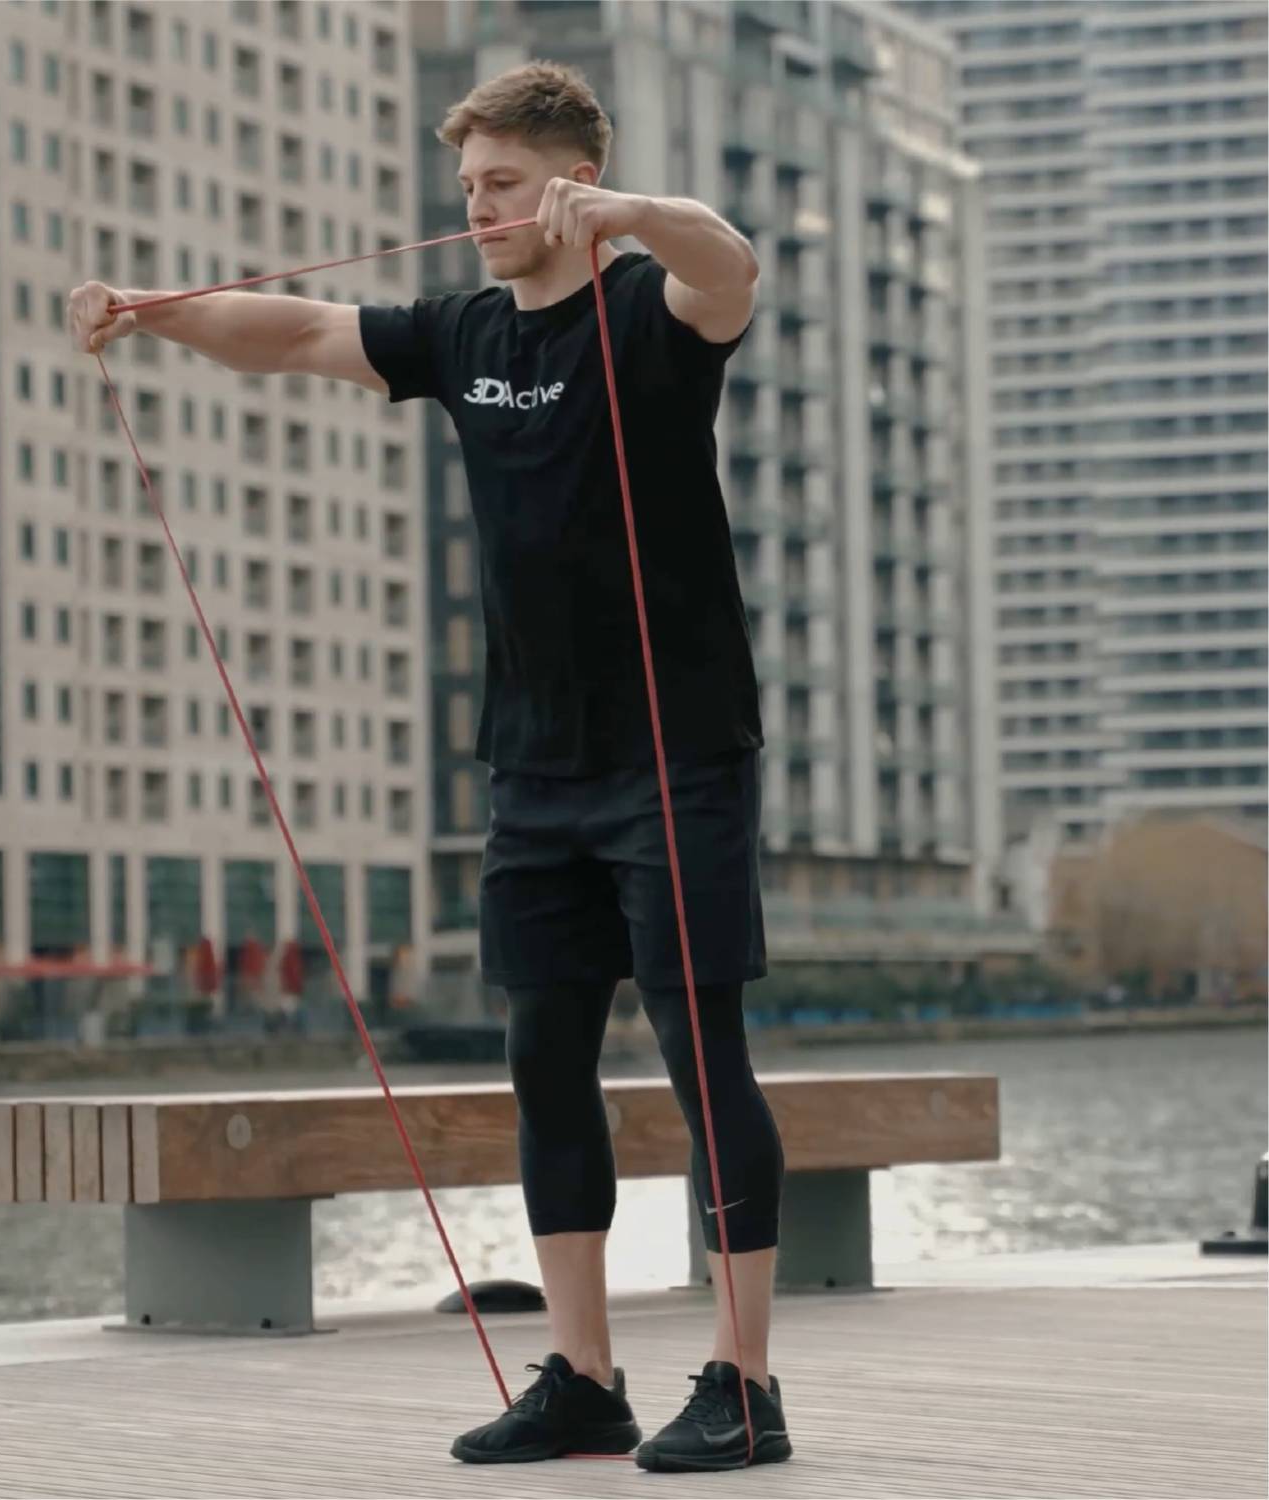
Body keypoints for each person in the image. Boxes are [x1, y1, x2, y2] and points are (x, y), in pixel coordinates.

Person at [69, 60, 789, 1475]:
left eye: (505, 186)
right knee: (543, 1062)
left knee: (709, 1061)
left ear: (572, 180)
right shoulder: (461, 333)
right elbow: (290, 331)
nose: (478, 210)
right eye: (467, 188)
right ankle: (584, 1378)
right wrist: (152, 317)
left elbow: (731, 261)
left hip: (677, 755)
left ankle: (746, 1382)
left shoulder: (654, 315)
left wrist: (631, 215)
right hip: (532, 771)